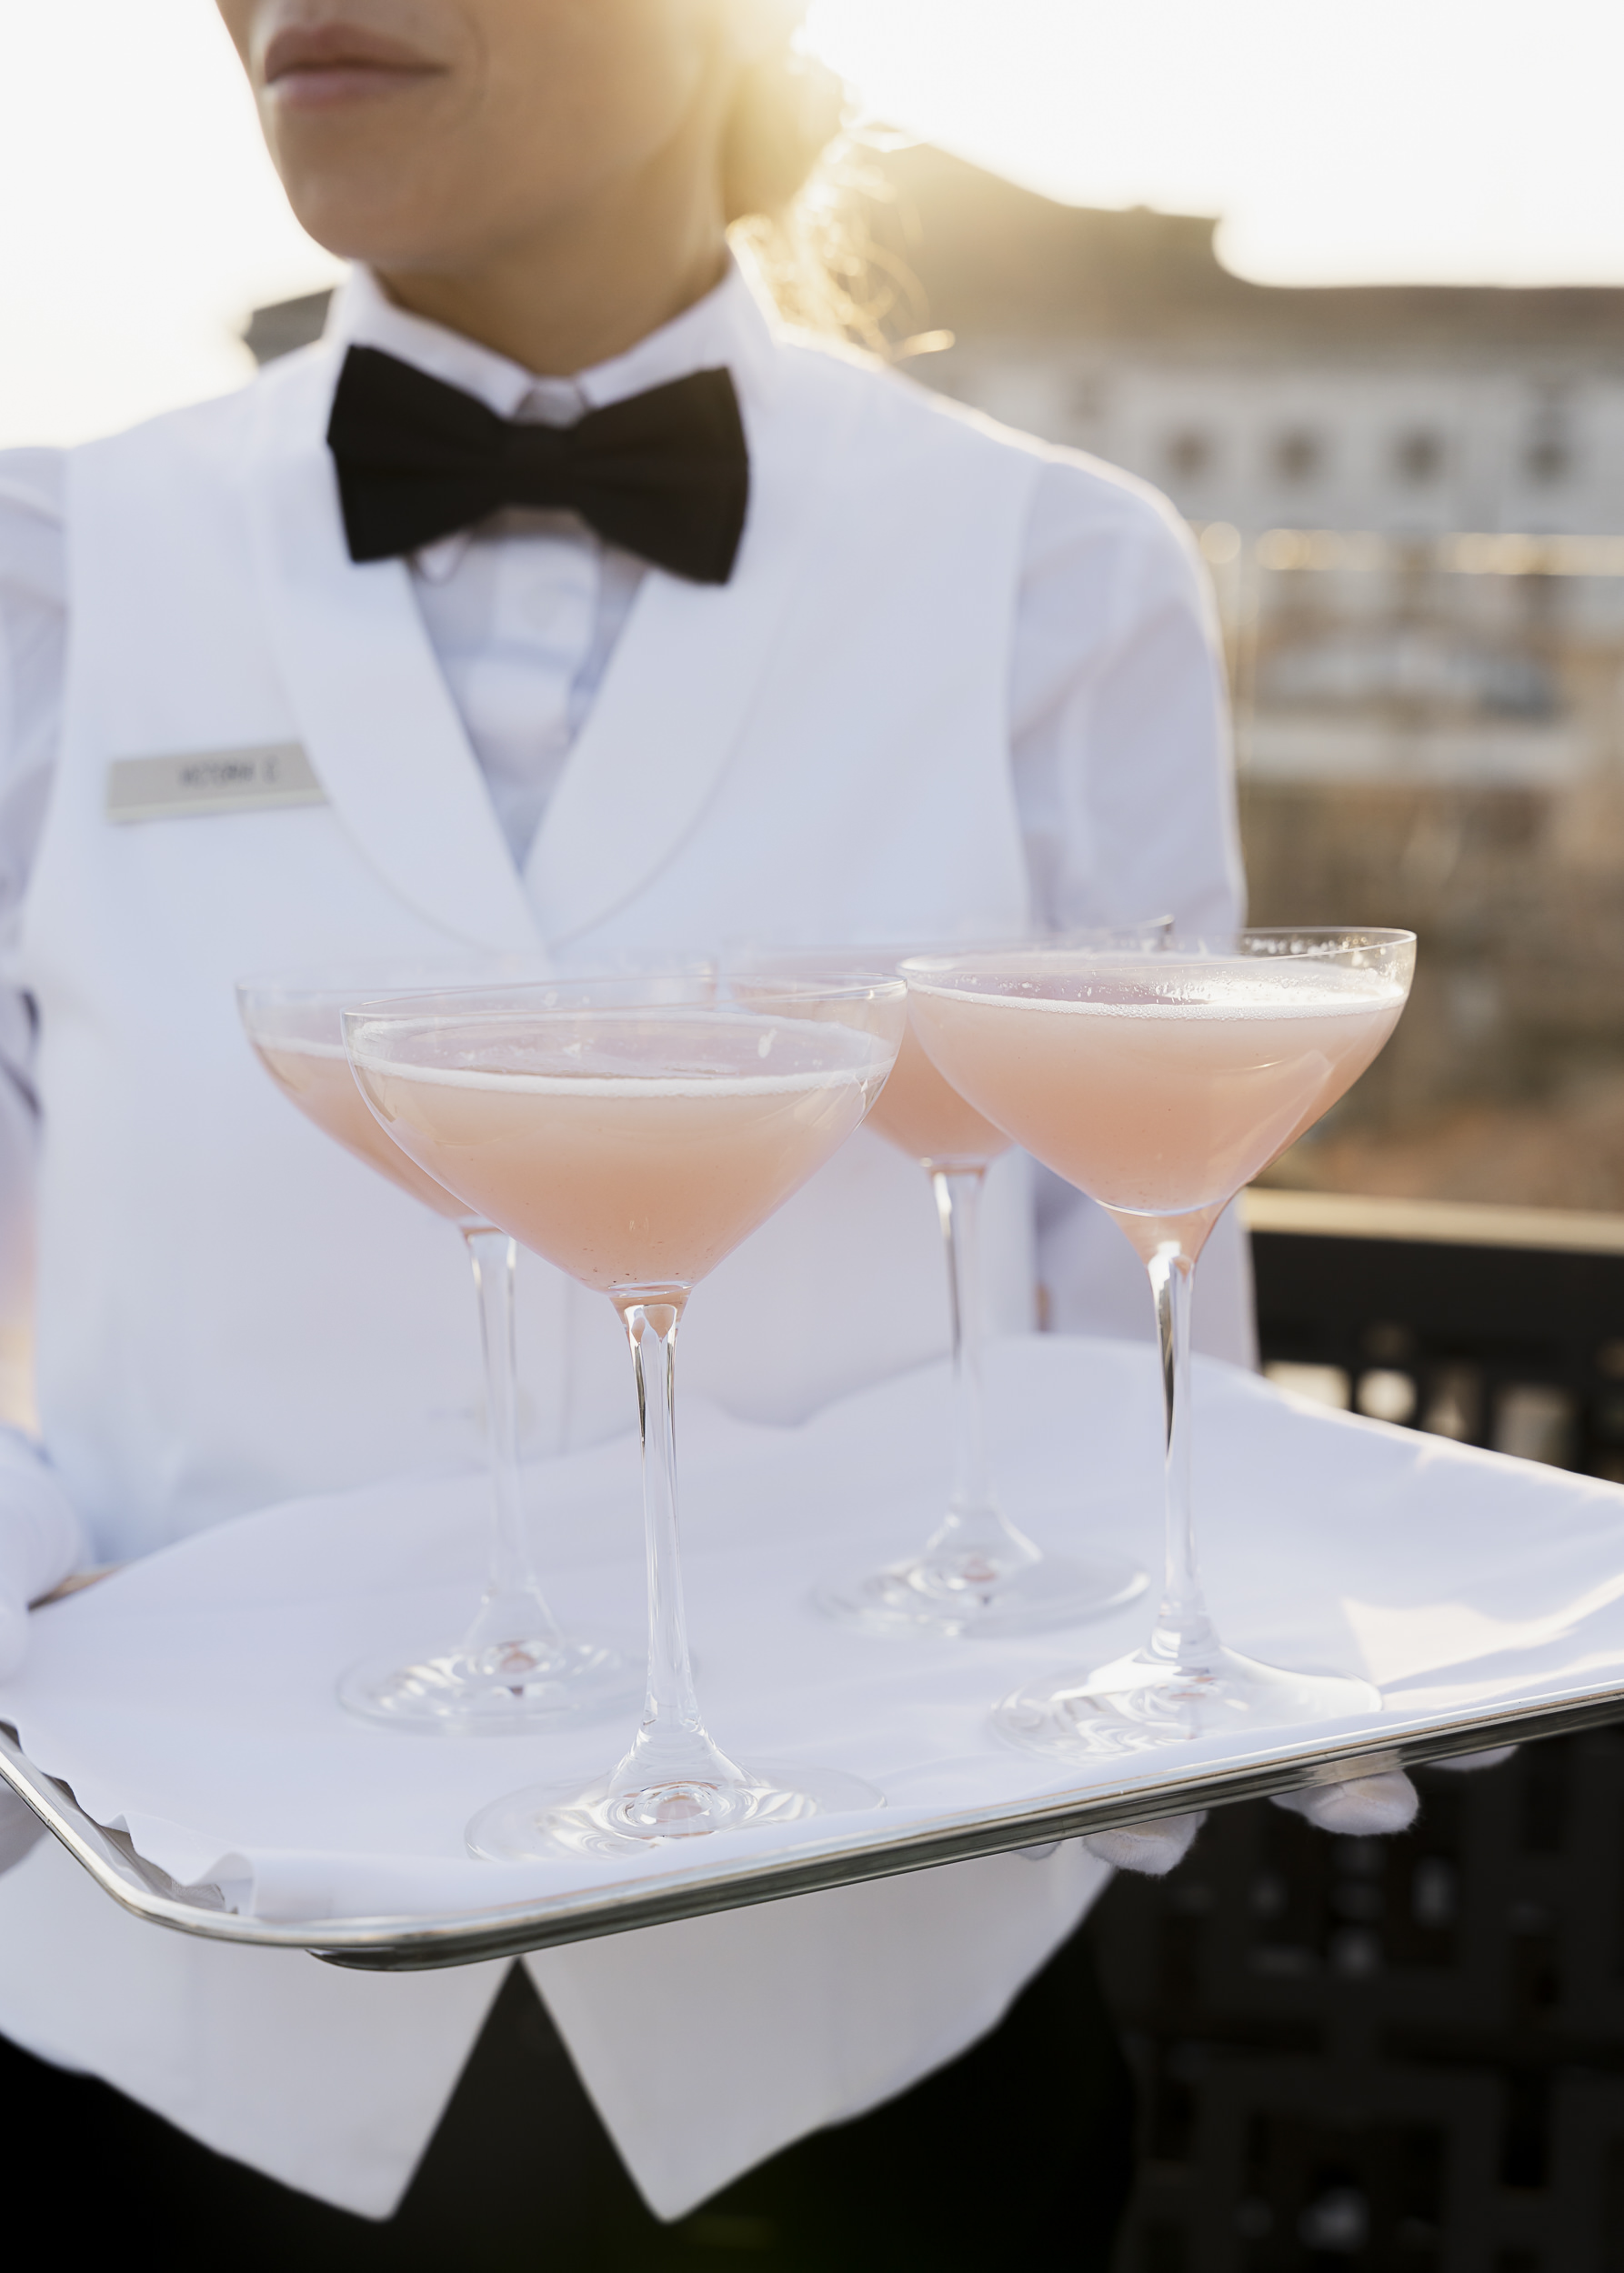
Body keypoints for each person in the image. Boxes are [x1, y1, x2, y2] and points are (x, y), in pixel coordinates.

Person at [0, 0, 1417, 2258]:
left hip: (868, 2046)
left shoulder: (1052, 569)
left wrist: (1269, 1620)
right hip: (168, 2031)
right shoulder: (47, 567)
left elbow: (1140, 1305)